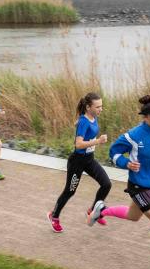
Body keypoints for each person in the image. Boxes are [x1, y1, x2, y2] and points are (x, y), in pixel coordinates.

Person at [87, 95, 150, 269]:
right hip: (138, 185)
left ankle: (101, 210)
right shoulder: (133, 135)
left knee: (133, 216)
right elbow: (114, 152)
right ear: (145, 117)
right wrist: (126, 163)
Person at [47, 92, 112, 233]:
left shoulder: (92, 117)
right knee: (70, 191)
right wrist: (98, 141)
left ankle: (93, 211)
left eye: (101, 106)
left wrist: (79, 124)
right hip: (77, 162)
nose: (101, 109)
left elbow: (82, 125)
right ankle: (54, 215)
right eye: (97, 107)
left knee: (106, 184)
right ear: (88, 107)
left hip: (89, 160)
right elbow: (78, 144)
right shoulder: (84, 121)